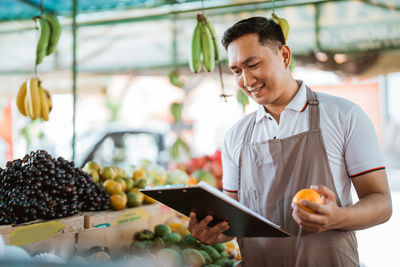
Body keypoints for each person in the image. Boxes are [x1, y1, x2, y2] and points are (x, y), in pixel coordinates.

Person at [188, 16, 392, 266]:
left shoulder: (344, 116)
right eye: (237, 71)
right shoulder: (235, 136)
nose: (246, 80)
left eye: (253, 64)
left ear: (284, 55)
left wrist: (337, 217)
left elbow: (381, 202)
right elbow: (234, 219)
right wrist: (215, 232)